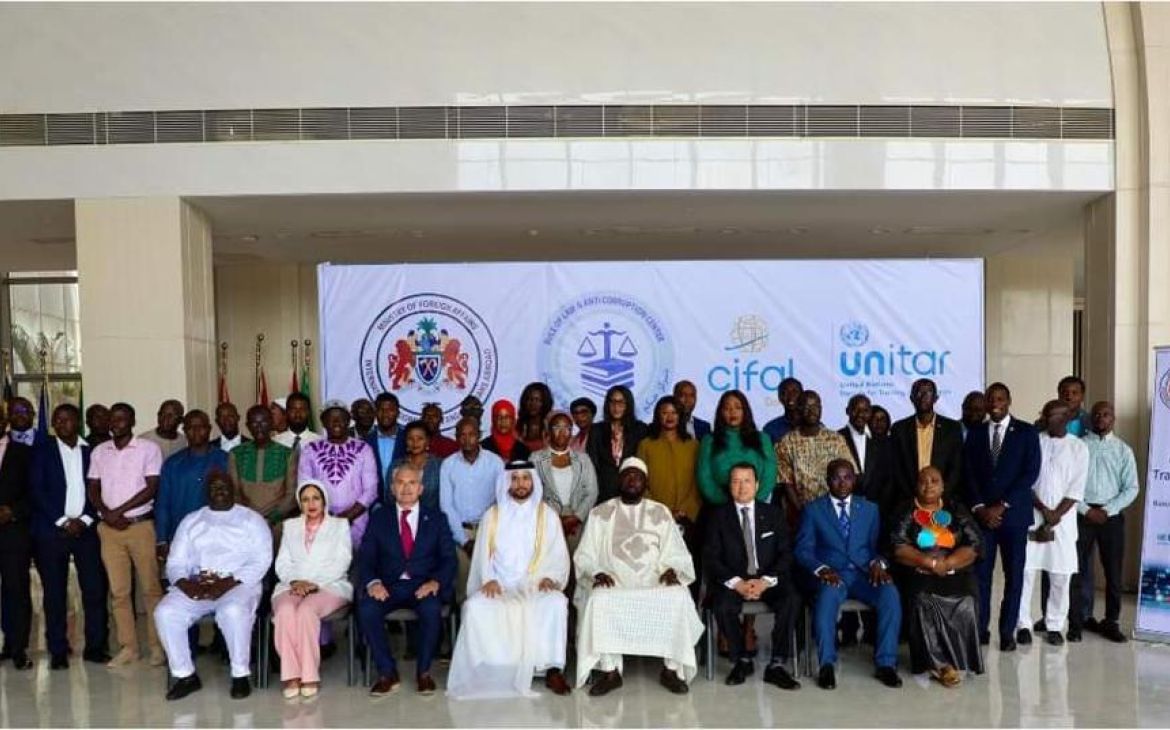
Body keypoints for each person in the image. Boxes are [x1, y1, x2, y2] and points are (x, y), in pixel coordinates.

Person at [574, 457, 703, 695]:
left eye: (638, 476)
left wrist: (672, 569)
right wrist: (597, 572)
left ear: (646, 483)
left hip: (654, 580)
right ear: (619, 480)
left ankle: (671, 670)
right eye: (628, 475)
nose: (632, 480)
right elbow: (585, 555)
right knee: (599, 599)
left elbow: (676, 551)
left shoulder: (660, 512)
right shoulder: (600, 513)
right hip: (614, 580)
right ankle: (610, 671)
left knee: (678, 596)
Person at [447, 461, 572, 699]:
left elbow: (558, 554)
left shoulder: (548, 515)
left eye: (526, 478)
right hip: (501, 584)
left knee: (555, 603)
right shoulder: (492, 516)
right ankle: (493, 666)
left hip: (535, 584)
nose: (521, 484)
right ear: (507, 483)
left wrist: (551, 578)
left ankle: (551, 669)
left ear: (533, 481)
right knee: (475, 607)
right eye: (515, 479)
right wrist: (489, 579)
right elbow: (483, 556)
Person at [155, 470, 272, 700]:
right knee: (165, 612)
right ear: (206, 492)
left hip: (238, 584)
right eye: (213, 487)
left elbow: (262, 560)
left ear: (233, 489)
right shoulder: (191, 520)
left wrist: (225, 584)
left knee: (233, 611)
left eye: (223, 486)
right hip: (197, 584)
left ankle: (240, 675)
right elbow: (175, 562)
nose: (219, 491)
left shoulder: (252, 520)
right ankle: (186, 675)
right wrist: (187, 585)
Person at [796, 459, 902, 691]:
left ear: (854, 480)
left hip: (865, 574)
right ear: (827, 481)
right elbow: (803, 550)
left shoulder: (870, 509)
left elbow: (880, 546)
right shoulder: (813, 510)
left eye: (847, 477)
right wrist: (822, 569)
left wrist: (878, 563)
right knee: (825, 601)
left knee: (890, 594)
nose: (842, 483)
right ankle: (826, 665)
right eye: (836, 477)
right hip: (833, 575)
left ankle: (886, 664)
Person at [358, 463, 457, 697]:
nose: (406, 488)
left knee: (432, 609)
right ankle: (387, 673)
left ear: (421, 488)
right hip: (388, 585)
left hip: (423, 584)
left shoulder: (436, 518)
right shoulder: (380, 517)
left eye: (412, 482)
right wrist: (373, 582)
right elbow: (366, 556)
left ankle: (423, 673)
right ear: (392, 488)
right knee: (367, 609)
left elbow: (448, 558)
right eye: (400, 482)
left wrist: (435, 582)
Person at [704, 462, 801, 690]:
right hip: (734, 580)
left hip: (767, 579)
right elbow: (711, 558)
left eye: (747, 481)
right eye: (736, 481)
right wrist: (737, 583)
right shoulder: (718, 516)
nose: (741, 486)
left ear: (757, 485)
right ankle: (741, 660)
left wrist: (765, 581)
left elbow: (786, 554)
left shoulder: (774, 514)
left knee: (792, 599)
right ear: (729, 486)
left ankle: (777, 664)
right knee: (722, 605)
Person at [30, 403, 110, 668]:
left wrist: (86, 519)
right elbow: (37, 491)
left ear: (78, 422)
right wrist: (64, 521)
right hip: (52, 533)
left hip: (87, 533)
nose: (63, 423)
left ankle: (96, 647)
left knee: (94, 591)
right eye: (58, 420)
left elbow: (101, 488)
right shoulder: (41, 451)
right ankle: (58, 650)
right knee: (54, 593)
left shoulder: (94, 453)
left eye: (68, 419)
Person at [86, 402, 166, 667]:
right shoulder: (100, 451)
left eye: (122, 419)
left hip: (140, 527)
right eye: (113, 418)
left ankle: (157, 647)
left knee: (151, 589)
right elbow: (93, 488)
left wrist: (117, 511)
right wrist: (106, 513)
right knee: (119, 592)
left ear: (132, 421)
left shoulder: (148, 449)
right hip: (109, 531)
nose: (116, 423)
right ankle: (128, 647)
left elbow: (151, 487)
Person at [964, 382, 1042, 651]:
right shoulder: (974, 434)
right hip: (983, 518)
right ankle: (981, 628)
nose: (995, 403)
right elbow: (968, 474)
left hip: (1013, 517)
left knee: (1014, 576)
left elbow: (1030, 473)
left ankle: (1007, 631)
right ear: (985, 403)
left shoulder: (1026, 432)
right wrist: (980, 508)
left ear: (1009, 401)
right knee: (981, 576)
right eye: (990, 399)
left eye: (1000, 398)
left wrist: (1002, 505)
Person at [891, 466, 984, 688]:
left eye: (935, 481)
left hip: (954, 570)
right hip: (919, 570)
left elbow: (974, 543)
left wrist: (948, 563)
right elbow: (898, 547)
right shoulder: (906, 511)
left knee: (967, 599)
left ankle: (961, 660)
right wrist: (930, 563)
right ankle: (937, 664)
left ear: (943, 486)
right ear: (916, 486)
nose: (929, 485)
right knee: (924, 599)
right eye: (923, 481)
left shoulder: (956, 509)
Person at [1016, 400, 1088, 647]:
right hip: (1032, 515)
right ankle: (1023, 624)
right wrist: (1043, 509)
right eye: (1047, 416)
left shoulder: (1079, 448)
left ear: (1067, 417)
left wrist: (1056, 514)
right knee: (1025, 573)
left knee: (1060, 576)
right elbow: (1025, 480)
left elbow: (1077, 488)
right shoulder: (1034, 441)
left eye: (1055, 416)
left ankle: (1054, 624)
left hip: (1063, 522)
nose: (1049, 420)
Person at [272, 480, 353, 699]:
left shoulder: (340, 525)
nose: (311, 503)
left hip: (330, 584)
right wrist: (295, 581)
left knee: (307, 611)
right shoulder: (290, 527)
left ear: (324, 500)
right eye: (305, 499)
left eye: (316, 498)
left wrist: (314, 583)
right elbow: (282, 563)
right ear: (300, 503)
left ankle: (309, 674)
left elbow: (342, 562)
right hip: (292, 584)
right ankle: (291, 674)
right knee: (285, 611)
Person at [1070, 401, 1138, 643]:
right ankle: (1075, 623)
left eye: (1106, 414)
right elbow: (1070, 484)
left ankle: (1111, 622)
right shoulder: (1078, 447)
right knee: (1076, 570)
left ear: (1113, 419)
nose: (1101, 418)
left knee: (1113, 572)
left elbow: (1131, 488)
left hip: (1111, 517)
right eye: (1097, 414)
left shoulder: (1123, 450)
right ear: (1091, 419)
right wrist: (1086, 509)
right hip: (1082, 515)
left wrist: (1107, 510)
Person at [439, 416, 505, 602]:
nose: (467, 439)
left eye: (472, 435)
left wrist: (488, 534)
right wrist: (463, 540)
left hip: (490, 531)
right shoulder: (448, 465)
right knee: (464, 585)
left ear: (480, 436)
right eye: (462, 435)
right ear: (456, 437)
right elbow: (447, 506)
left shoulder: (495, 462)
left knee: (491, 584)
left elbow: (502, 502)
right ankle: (463, 626)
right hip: (461, 533)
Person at [298, 400, 378, 548]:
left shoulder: (364, 449)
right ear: (323, 422)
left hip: (357, 521)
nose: (336, 422)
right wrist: (326, 518)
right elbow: (305, 487)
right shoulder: (310, 450)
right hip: (321, 520)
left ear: (348, 421)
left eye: (341, 418)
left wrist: (349, 516)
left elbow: (371, 489)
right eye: (331, 418)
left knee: (355, 565)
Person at [155, 410, 230, 558]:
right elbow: (163, 504)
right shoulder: (172, 463)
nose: (196, 431)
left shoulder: (225, 459)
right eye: (190, 427)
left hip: (218, 534)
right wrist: (162, 539)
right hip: (181, 535)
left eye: (200, 427)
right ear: (184, 431)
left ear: (209, 429)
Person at [777, 390, 856, 512]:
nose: (812, 411)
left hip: (835, 509)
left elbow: (849, 473)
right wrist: (802, 511)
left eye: (815, 406)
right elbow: (786, 482)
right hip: (803, 509)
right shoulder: (786, 442)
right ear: (798, 409)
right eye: (806, 406)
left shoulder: (836, 439)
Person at [534, 411, 598, 556]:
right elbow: (534, 493)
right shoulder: (536, 459)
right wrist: (555, 520)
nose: (562, 432)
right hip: (548, 520)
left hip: (577, 521)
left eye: (567, 428)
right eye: (557, 428)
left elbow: (592, 492)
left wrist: (576, 518)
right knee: (551, 565)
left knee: (576, 565)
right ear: (549, 431)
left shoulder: (583, 459)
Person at [697, 389, 776, 505]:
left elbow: (770, 475)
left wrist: (752, 503)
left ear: (745, 411)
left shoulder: (762, 439)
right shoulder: (709, 441)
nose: (732, 412)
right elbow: (704, 478)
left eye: (738, 408)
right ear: (721, 412)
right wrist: (727, 505)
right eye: (727, 408)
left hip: (756, 505)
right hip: (720, 507)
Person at [890, 378, 964, 503]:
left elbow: (956, 467)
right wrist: (914, 496)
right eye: (919, 392)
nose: (924, 396)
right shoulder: (899, 429)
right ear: (912, 398)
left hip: (942, 501)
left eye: (928, 392)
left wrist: (939, 495)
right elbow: (896, 468)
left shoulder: (952, 428)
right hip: (909, 500)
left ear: (936, 398)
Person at [229, 405, 297, 534]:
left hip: (278, 525)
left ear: (271, 423)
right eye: (254, 423)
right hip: (246, 525)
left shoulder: (287, 454)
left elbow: (291, 495)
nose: (259, 427)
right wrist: (251, 519)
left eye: (264, 421)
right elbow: (235, 493)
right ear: (248, 426)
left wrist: (272, 519)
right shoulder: (236, 454)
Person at [0, 403, 33, 669]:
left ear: (5, 423)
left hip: (13, 532)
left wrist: (13, 512)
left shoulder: (23, 453)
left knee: (16, 590)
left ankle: (18, 647)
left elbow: (35, 492)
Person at [638, 396, 702, 528]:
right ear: (657, 416)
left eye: (674, 413)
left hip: (687, 517)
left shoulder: (693, 445)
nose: (670, 417)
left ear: (680, 416)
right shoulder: (646, 445)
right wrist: (662, 511)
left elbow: (698, 482)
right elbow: (641, 482)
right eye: (665, 413)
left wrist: (686, 510)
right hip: (655, 517)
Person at [586, 386, 648, 504]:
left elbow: (643, 465)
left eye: (621, 402)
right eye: (612, 402)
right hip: (603, 495)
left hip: (633, 494)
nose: (616, 406)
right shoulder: (596, 430)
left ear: (628, 405)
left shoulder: (640, 429)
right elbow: (592, 465)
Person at [389, 421, 442, 511]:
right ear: (406, 441)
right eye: (410, 438)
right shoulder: (396, 465)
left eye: (420, 438)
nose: (415, 442)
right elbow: (389, 497)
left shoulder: (439, 465)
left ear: (428, 441)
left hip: (432, 520)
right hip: (401, 519)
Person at [364, 392, 405, 498]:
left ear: (397, 413)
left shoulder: (408, 439)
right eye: (381, 410)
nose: (385, 414)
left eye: (390, 410)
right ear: (375, 413)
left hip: (403, 500)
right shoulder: (365, 442)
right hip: (374, 503)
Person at [762, 377, 803, 446]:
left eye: (794, 391)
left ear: (802, 395)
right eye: (785, 392)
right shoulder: (770, 429)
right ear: (779, 397)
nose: (790, 396)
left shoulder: (813, 426)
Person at [517, 382, 554, 453]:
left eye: (537, 400)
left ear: (545, 402)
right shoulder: (518, 426)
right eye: (529, 399)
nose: (533, 404)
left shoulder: (551, 427)